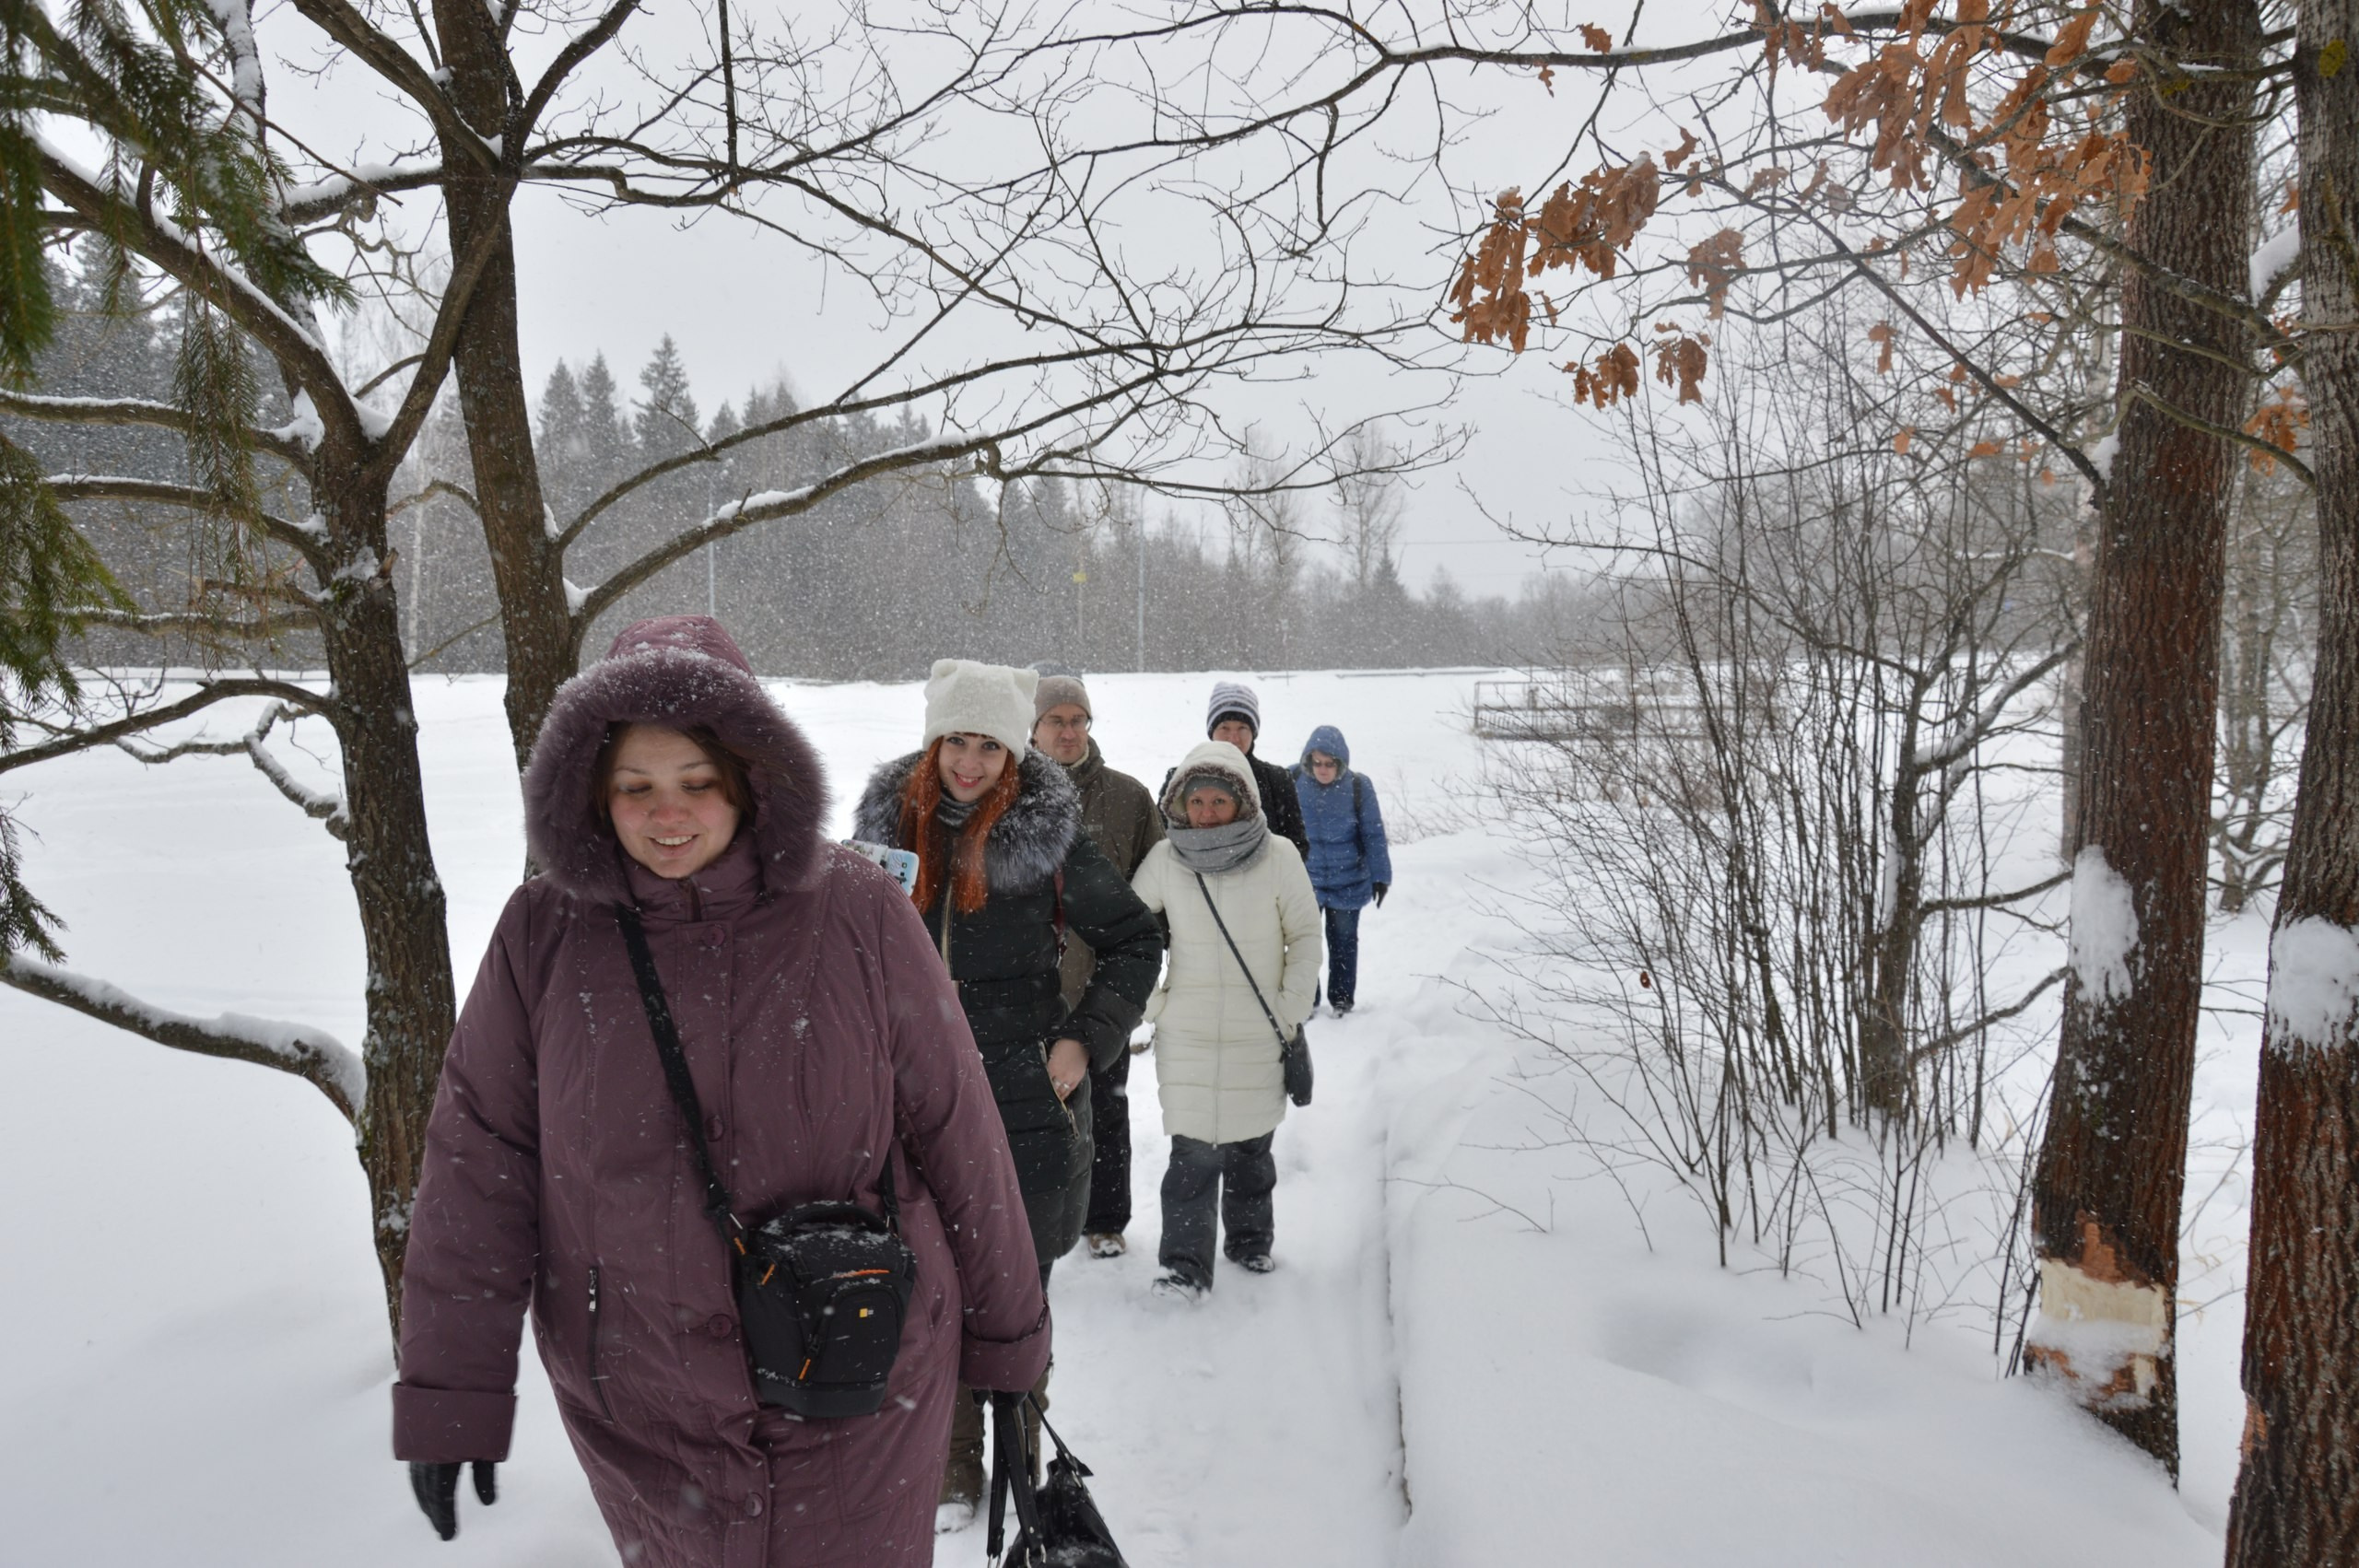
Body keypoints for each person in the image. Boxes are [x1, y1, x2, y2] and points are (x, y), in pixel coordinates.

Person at [392, 616, 1050, 1568]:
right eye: (637, 787)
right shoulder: (545, 931)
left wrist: (1009, 1345)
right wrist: (454, 1387)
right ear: (591, 792)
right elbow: (481, 1157)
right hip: (643, 1405)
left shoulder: (856, 908)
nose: (670, 816)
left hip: (859, 1382)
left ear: (750, 779)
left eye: (698, 783)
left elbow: (957, 1125)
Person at [851, 659, 1162, 1527]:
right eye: (958, 739)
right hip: (910, 1099)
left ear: (1013, 748)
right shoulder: (887, 832)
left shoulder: (1047, 836)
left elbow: (1136, 941)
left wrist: (1081, 1042)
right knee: (927, 1284)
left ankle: (1020, 1449)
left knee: (1015, 1289)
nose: (970, 762)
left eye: (990, 743)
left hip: (1022, 1099)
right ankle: (950, 1468)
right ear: (934, 739)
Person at [1129, 741, 1321, 1300]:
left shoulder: (1279, 855)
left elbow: (1306, 936)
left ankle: (1249, 1241)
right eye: (1197, 801)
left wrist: (1289, 1007)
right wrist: (1153, 1004)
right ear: (1179, 805)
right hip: (1186, 1034)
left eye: (1219, 800)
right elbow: (1130, 933)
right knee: (1190, 1155)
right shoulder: (1166, 859)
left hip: (1258, 1032)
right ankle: (1184, 1266)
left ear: (1243, 801)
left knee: (1251, 1150)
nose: (1207, 812)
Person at [1029, 669, 1166, 1260]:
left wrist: (1142, 986)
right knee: (1025, 1116)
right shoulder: (1007, 796)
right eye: (1055, 720)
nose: (1068, 730)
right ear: (1032, 728)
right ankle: (1026, 1222)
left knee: (1104, 1110)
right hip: (1026, 996)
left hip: (1099, 994)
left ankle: (1104, 1220)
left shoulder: (1129, 799)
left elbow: (1158, 898)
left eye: (1077, 719)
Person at [1292, 724, 1393, 1016]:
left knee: (1344, 944)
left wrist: (1380, 876)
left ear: (1341, 762)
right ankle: (1305, 1000)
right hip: (1305, 883)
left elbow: (1374, 834)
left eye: (1330, 764)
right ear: (1308, 761)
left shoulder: (1359, 786)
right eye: (1318, 763)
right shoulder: (1293, 779)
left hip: (1348, 880)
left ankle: (1341, 1000)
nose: (1323, 770)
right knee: (1303, 946)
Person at [1202, 680, 1309, 860]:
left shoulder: (1277, 780)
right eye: (1224, 728)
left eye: (1242, 728)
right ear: (1212, 732)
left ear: (1253, 732)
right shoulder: (1184, 778)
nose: (1233, 737)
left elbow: (1296, 847)